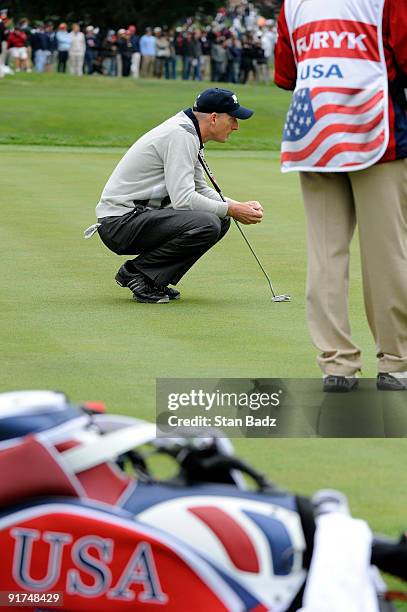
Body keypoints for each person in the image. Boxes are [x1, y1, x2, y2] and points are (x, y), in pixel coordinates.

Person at [274, 0, 407, 392]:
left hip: (314, 133)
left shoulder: (293, 3)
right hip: (376, 131)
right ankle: (396, 362)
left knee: (325, 254)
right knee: (387, 252)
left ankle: (337, 365)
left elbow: (286, 72)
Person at [87, 88, 263, 304]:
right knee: (208, 222)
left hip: (137, 217)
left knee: (219, 218)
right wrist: (233, 209)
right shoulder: (181, 135)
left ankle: (153, 280)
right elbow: (184, 199)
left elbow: (199, 189)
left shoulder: (189, 132)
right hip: (120, 224)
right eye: (233, 119)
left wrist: (237, 206)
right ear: (214, 118)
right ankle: (137, 273)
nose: (236, 126)